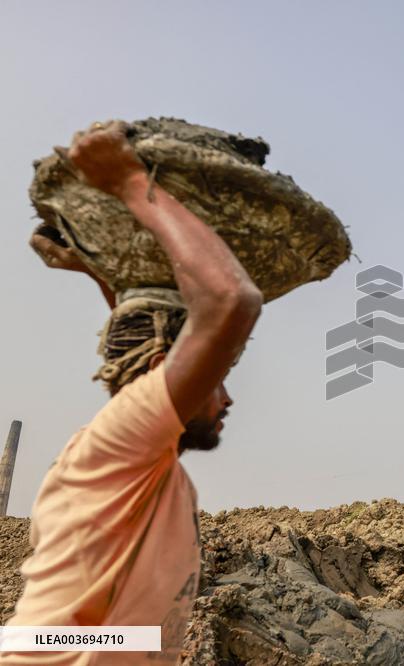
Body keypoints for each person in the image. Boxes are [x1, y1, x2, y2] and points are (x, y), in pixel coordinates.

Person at [3, 120, 262, 664]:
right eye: (216, 376)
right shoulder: (120, 448)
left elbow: (147, 352)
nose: (228, 398)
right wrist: (127, 180)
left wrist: (102, 273)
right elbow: (231, 301)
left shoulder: (142, 467)